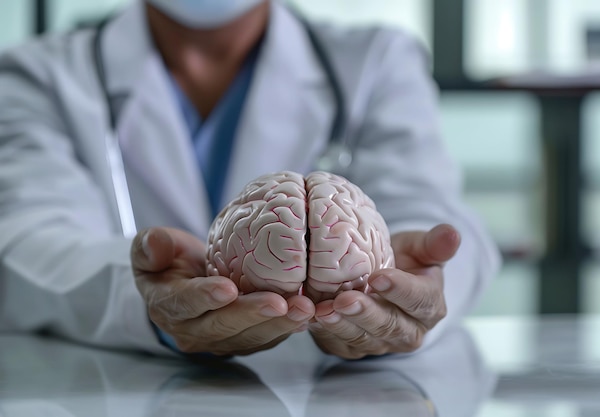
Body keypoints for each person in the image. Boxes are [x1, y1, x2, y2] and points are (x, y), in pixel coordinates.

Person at [0, 0, 500, 359]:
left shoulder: (377, 60)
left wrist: (408, 291)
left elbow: (434, 213)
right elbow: (26, 240)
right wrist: (145, 302)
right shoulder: (40, 75)